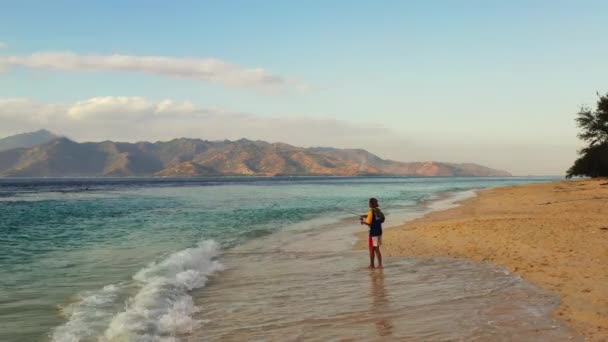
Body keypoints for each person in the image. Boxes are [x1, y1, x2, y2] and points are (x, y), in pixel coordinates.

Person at [360, 198, 384, 269]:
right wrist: (365, 216)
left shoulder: (371, 211)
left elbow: (369, 223)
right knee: (376, 249)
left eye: (369, 203)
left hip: (373, 233)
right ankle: (380, 265)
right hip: (379, 231)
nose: (369, 204)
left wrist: (363, 222)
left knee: (371, 250)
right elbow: (378, 218)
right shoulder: (378, 210)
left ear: (371, 204)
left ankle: (372, 265)